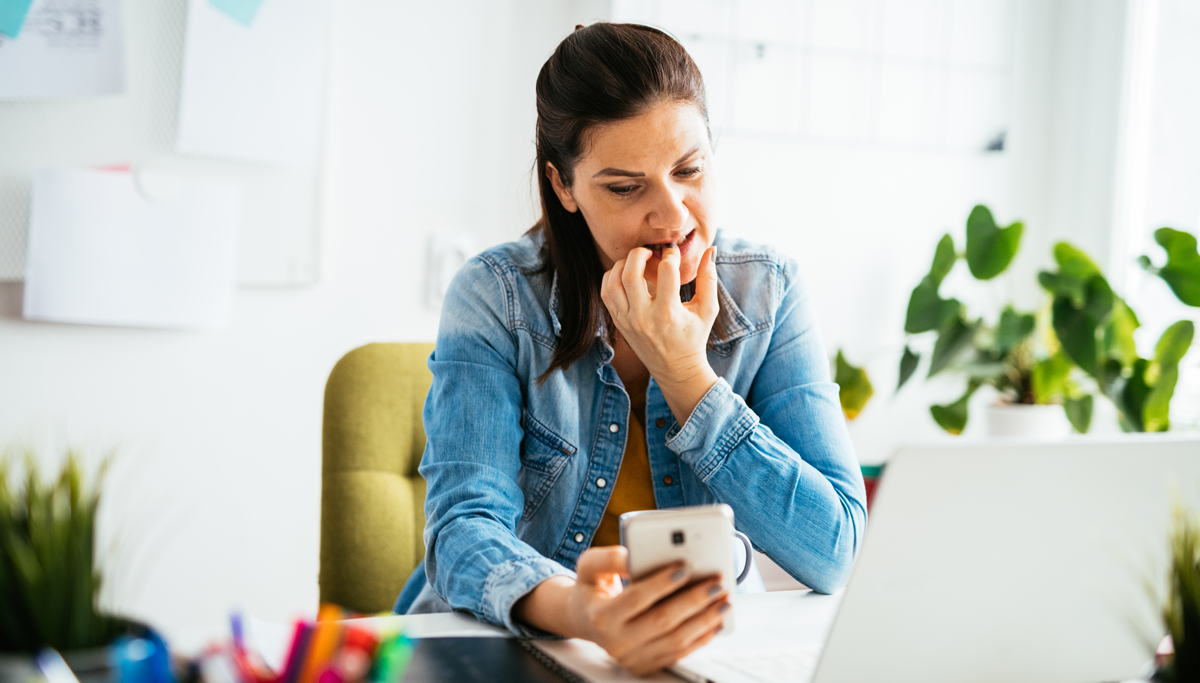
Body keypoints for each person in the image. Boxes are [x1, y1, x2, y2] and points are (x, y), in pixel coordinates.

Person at [394, 22, 866, 676]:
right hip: (528, 649)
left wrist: (687, 376)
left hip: (703, 655)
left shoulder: (767, 292)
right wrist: (585, 613)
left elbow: (836, 547)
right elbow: (462, 533)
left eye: (689, 170)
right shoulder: (496, 297)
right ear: (564, 186)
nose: (672, 216)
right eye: (624, 186)